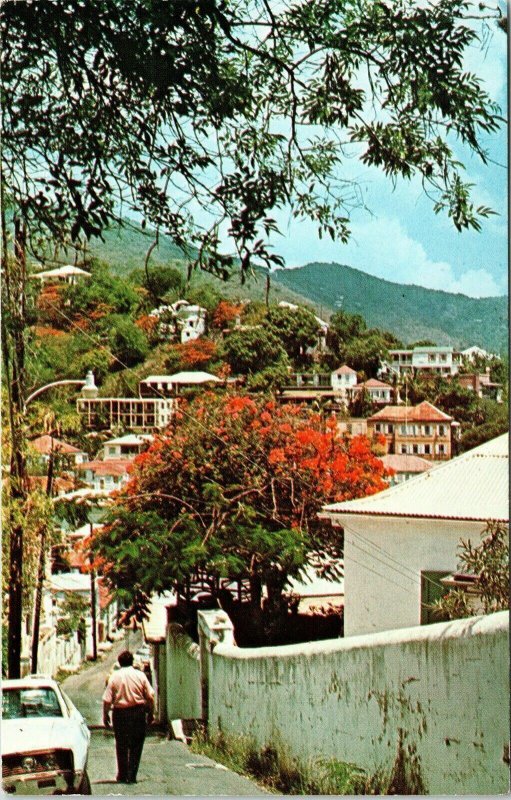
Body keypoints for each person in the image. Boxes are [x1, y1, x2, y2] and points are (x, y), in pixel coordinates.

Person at [102, 649, 155, 784]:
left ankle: (122, 774)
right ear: (132, 662)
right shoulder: (140, 676)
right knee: (136, 744)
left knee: (121, 744)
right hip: (138, 712)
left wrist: (105, 715)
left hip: (120, 714)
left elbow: (107, 700)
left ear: (120, 663)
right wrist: (151, 713)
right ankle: (132, 775)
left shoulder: (114, 677)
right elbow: (150, 696)